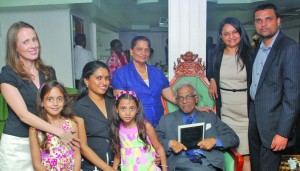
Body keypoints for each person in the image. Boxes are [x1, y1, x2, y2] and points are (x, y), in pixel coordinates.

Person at [0, 21, 77, 171]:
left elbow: (55, 105)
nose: (33, 45)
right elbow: (23, 115)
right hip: (18, 144)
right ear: (15, 47)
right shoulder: (8, 73)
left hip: (45, 140)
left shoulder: (48, 72)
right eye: (26, 42)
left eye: (34, 39)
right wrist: (60, 132)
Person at [249, 3, 300, 171]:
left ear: (278, 21)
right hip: (257, 120)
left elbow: (293, 96)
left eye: (268, 19)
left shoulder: (289, 48)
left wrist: (283, 132)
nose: (263, 24)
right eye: (259, 20)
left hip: (275, 127)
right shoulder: (259, 47)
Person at [155, 83, 239, 171]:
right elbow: (154, 141)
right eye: (180, 98)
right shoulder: (166, 120)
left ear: (196, 98)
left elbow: (233, 138)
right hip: (179, 163)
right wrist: (169, 144)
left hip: (208, 162)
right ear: (177, 101)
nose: (184, 101)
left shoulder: (209, 117)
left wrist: (214, 141)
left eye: (189, 96)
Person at [207, 17, 253, 171]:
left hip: (246, 113)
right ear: (221, 36)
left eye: (234, 32)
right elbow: (210, 72)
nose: (231, 36)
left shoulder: (250, 54)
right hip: (226, 111)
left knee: (246, 155)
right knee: (229, 153)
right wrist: (212, 78)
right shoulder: (215, 53)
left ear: (240, 32)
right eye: (226, 34)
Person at [111, 36, 177, 127]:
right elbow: (121, 105)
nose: (143, 53)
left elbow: (173, 96)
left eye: (147, 50)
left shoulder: (157, 72)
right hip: (135, 126)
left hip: (159, 124)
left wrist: (193, 106)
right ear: (131, 51)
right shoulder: (121, 74)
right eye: (139, 49)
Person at [72, 61, 116, 171]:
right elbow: (83, 146)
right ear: (86, 80)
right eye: (99, 78)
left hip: (117, 162)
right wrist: (108, 169)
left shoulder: (114, 103)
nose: (104, 82)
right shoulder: (78, 107)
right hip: (93, 166)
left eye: (106, 78)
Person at [29, 80, 81, 171]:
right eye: (50, 99)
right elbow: (36, 163)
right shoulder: (34, 130)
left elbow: (77, 155)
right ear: (42, 102)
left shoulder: (72, 125)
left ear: (64, 101)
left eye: (59, 99)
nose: (55, 103)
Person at [110, 90, 167, 171]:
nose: (127, 113)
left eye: (132, 108)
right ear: (116, 109)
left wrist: (165, 169)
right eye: (123, 108)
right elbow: (118, 153)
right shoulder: (118, 129)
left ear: (137, 109)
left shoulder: (145, 126)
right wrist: (114, 168)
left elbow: (159, 148)